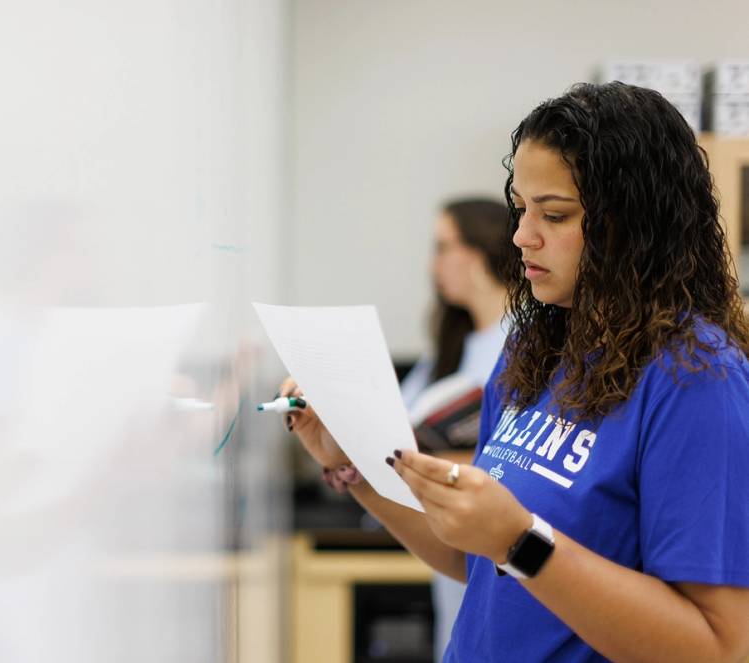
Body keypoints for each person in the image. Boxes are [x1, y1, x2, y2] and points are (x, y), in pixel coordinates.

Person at [282, 82, 749, 662]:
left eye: (554, 215)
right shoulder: (535, 348)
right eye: (521, 209)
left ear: (632, 225)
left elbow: (718, 647)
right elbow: (474, 556)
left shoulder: (696, 379)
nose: (521, 236)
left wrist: (521, 540)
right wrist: (349, 461)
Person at [396, 198, 508, 662]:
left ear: (481, 252)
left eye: (443, 247)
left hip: (502, 555)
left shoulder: (527, 346)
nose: (433, 264)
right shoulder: (445, 351)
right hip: (445, 549)